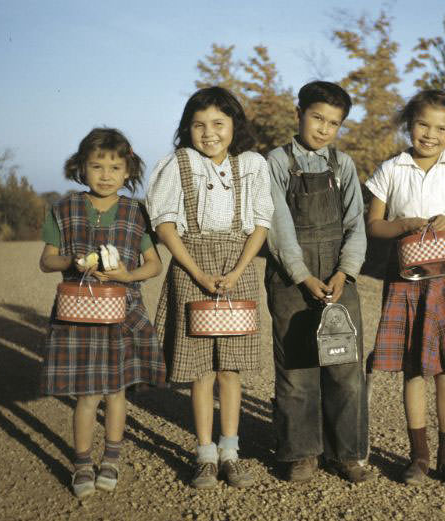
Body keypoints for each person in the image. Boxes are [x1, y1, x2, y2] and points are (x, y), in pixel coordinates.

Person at [365, 90, 445, 486]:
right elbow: (374, 226)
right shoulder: (391, 169)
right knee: (413, 370)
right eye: (423, 124)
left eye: (441, 128)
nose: (430, 134)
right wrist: (403, 225)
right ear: (410, 124)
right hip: (407, 281)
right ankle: (418, 457)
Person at [146, 86, 273, 489]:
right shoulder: (178, 162)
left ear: (235, 124)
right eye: (198, 125)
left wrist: (238, 270)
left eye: (219, 123)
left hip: (239, 268)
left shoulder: (252, 164)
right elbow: (164, 224)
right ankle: (204, 455)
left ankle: (231, 451)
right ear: (187, 128)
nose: (209, 133)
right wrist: (197, 273)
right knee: (199, 367)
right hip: (191, 267)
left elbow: (260, 223)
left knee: (230, 367)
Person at [39, 128, 166, 499]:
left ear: (128, 171)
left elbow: (154, 265)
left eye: (115, 167)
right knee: (86, 395)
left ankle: (110, 457)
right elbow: (46, 261)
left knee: (115, 393)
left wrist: (127, 274)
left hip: (122, 314)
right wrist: (72, 262)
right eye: (97, 166)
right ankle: (81, 462)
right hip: (77, 317)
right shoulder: (62, 210)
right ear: (82, 168)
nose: (106, 174)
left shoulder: (136, 212)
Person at [266, 80, 372, 483]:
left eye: (334, 123)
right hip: (292, 278)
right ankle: (300, 453)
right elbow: (278, 226)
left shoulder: (342, 166)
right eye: (317, 118)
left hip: (339, 277)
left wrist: (345, 271)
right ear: (299, 114)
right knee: (297, 368)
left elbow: (355, 225)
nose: (324, 129)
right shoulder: (275, 162)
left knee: (344, 364)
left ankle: (347, 453)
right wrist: (302, 276)